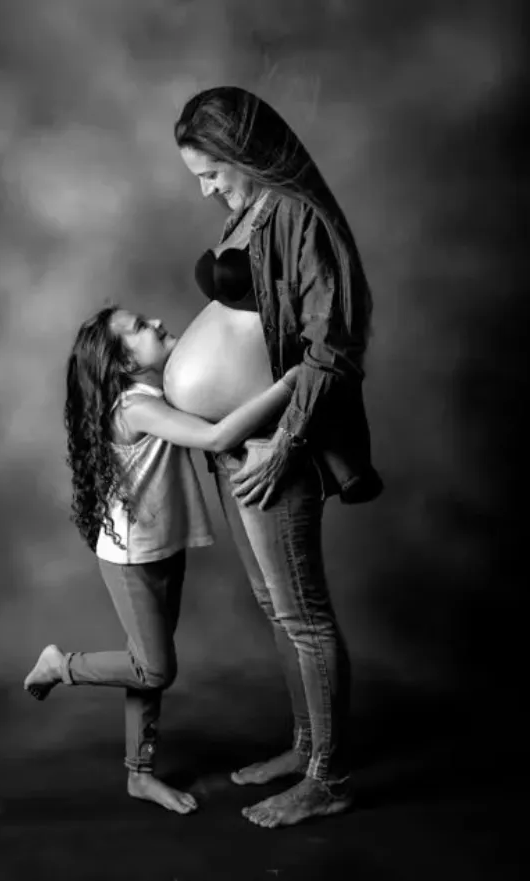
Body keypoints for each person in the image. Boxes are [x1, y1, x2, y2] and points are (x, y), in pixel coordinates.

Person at [164, 86, 383, 828]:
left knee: (302, 614)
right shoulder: (250, 210)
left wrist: (284, 441)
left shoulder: (297, 215)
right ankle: (305, 747)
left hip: (277, 445)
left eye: (212, 173)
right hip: (238, 443)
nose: (205, 190)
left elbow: (333, 347)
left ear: (247, 154)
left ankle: (329, 777)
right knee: (275, 607)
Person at [24, 305, 299, 816]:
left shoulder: (154, 394)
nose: (153, 323)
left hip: (163, 546)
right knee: (152, 669)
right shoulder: (134, 408)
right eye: (138, 328)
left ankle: (140, 775)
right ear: (124, 363)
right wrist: (289, 385)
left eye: (145, 318)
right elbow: (217, 437)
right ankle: (61, 665)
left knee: (144, 665)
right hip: (132, 561)